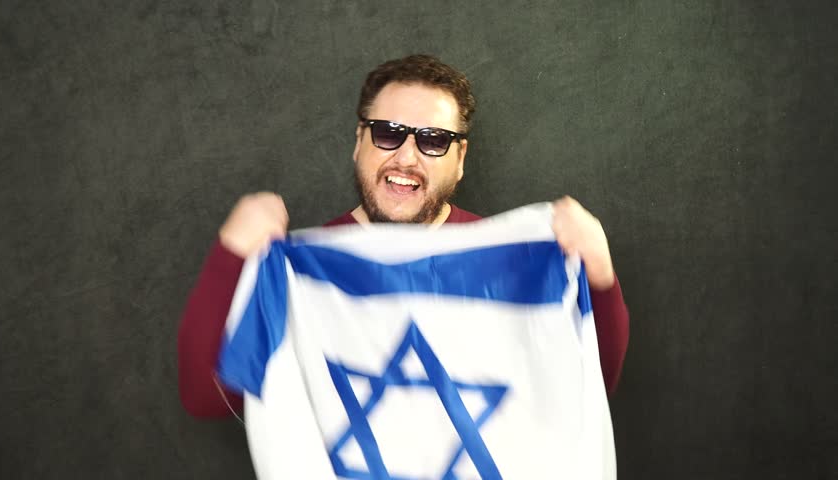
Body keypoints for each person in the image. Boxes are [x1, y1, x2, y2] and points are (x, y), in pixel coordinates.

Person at [178, 54, 629, 418]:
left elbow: (588, 392)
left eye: (433, 139)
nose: (407, 158)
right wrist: (231, 256)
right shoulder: (301, 276)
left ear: (460, 157)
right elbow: (206, 398)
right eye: (388, 133)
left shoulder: (506, 261)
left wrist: (601, 277)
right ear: (360, 140)